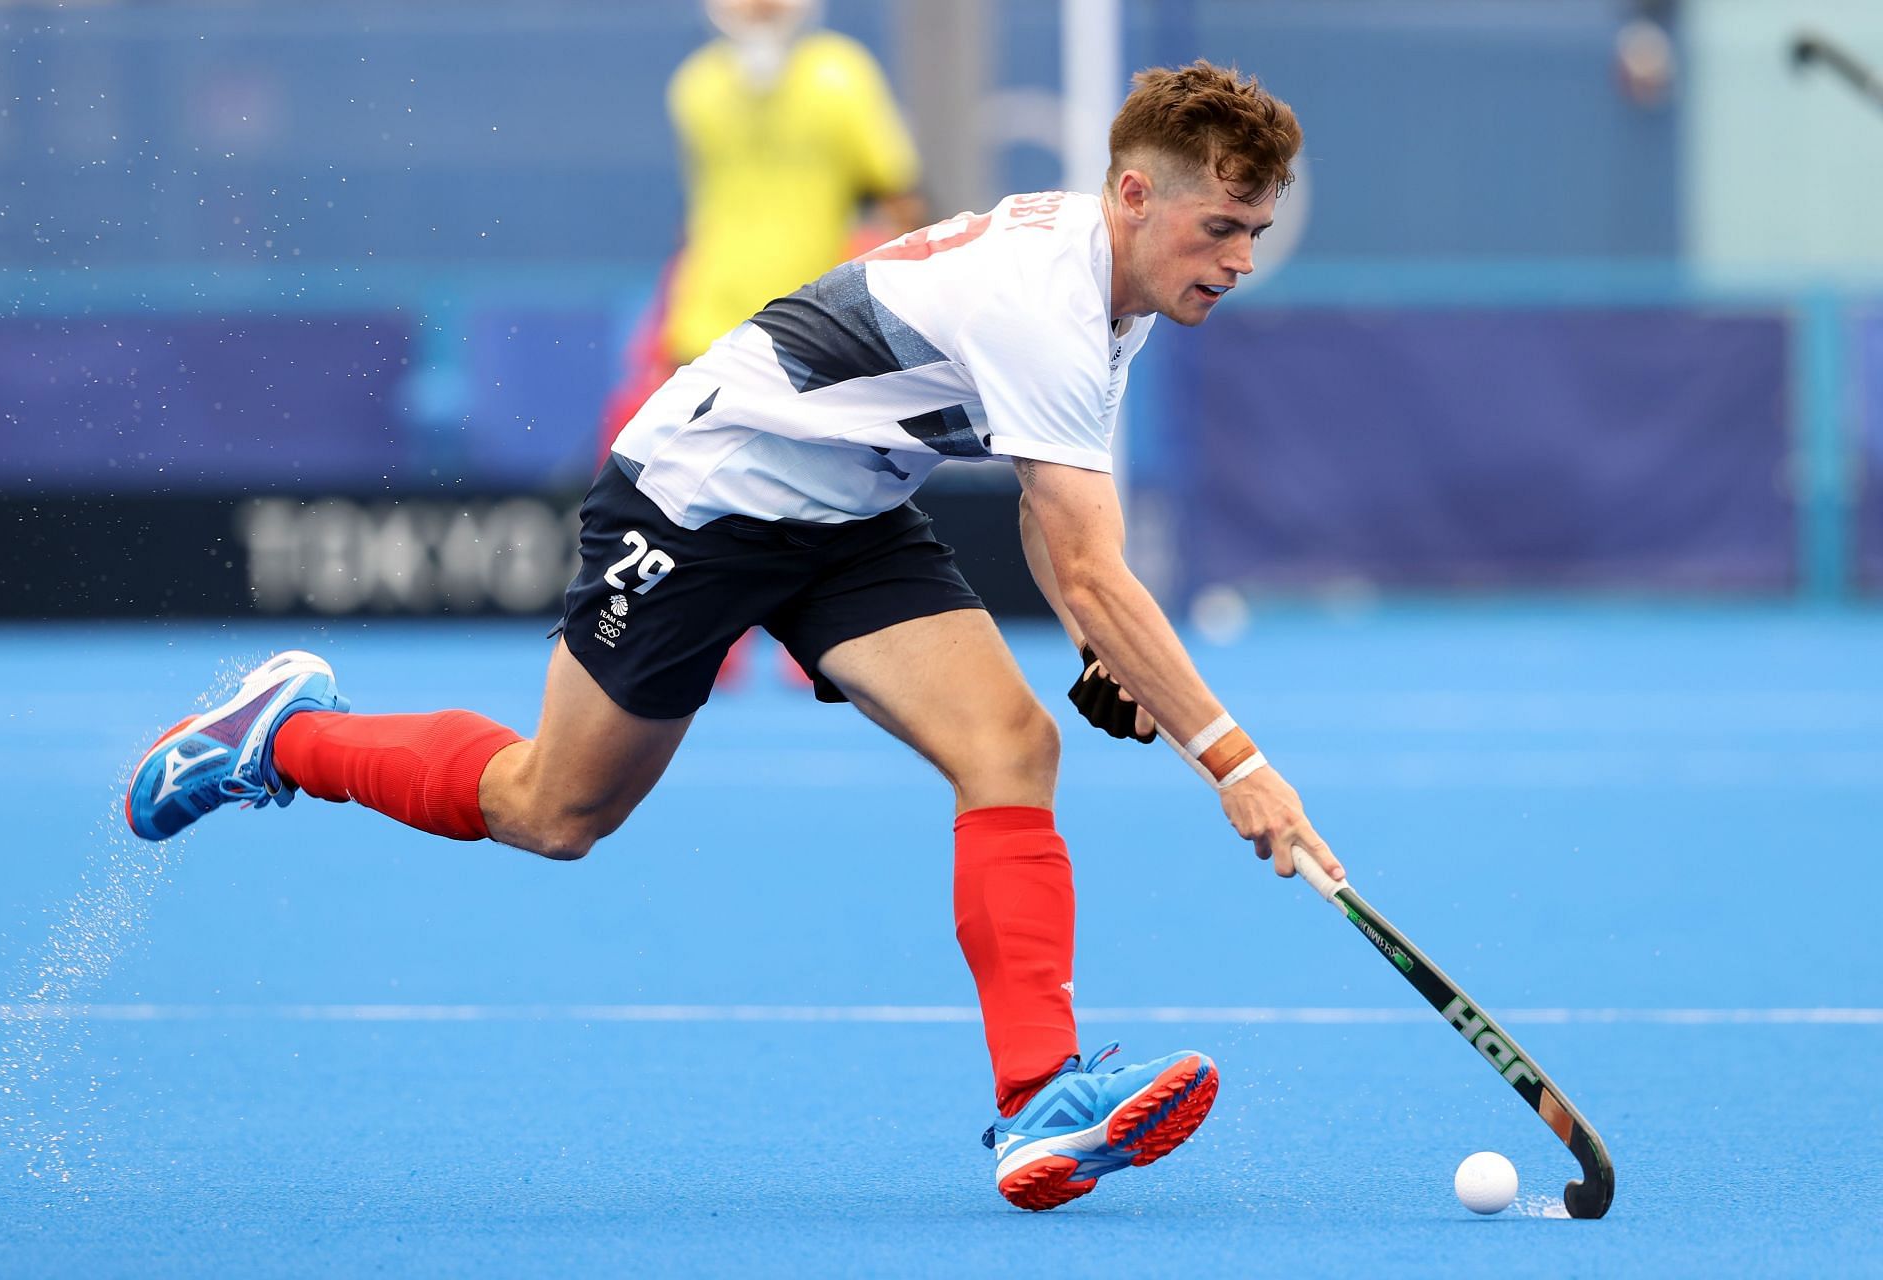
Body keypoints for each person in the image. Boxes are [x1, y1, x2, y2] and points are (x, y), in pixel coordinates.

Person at [126, 61, 1344, 1212]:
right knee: (556, 810)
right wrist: (1238, 764)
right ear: (1135, 193)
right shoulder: (1049, 302)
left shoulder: (1111, 283)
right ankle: (281, 738)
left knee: (1012, 746)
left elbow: (1054, 521)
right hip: (699, 499)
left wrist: (1100, 649)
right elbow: (1088, 558)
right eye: (1221, 229)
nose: (1238, 261)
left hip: (846, 510)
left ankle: (1037, 1100)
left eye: (1256, 234)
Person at [600, 0, 927, 690]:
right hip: (707, 313)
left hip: (814, 322)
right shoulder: (697, 85)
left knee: (822, 480)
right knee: (691, 488)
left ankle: (820, 629)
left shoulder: (843, 75)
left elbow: (897, 195)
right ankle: (705, 634)